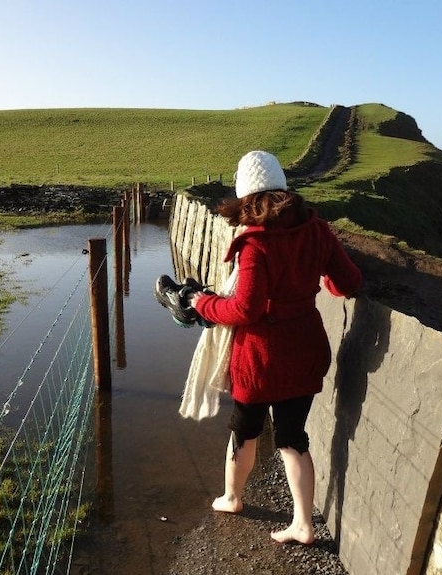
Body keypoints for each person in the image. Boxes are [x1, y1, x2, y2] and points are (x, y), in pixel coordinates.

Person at [189, 150, 362, 545]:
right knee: (292, 438)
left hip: (260, 359)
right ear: (283, 190)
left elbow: (245, 308)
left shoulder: (255, 244)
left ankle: (233, 497)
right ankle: (304, 524)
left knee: (244, 430)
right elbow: (349, 282)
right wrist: (327, 284)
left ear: (246, 197)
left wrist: (203, 304)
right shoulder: (316, 229)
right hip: (305, 349)